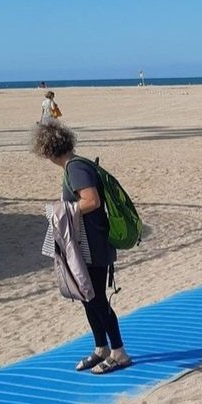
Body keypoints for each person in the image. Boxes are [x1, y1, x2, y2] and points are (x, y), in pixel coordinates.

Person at [30, 121, 132, 374]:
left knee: (97, 300)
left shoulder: (76, 168)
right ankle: (101, 348)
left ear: (48, 150)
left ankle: (119, 352)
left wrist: (61, 211)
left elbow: (92, 201)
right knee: (88, 298)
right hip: (87, 244)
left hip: (94, 246)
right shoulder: (75, 166)